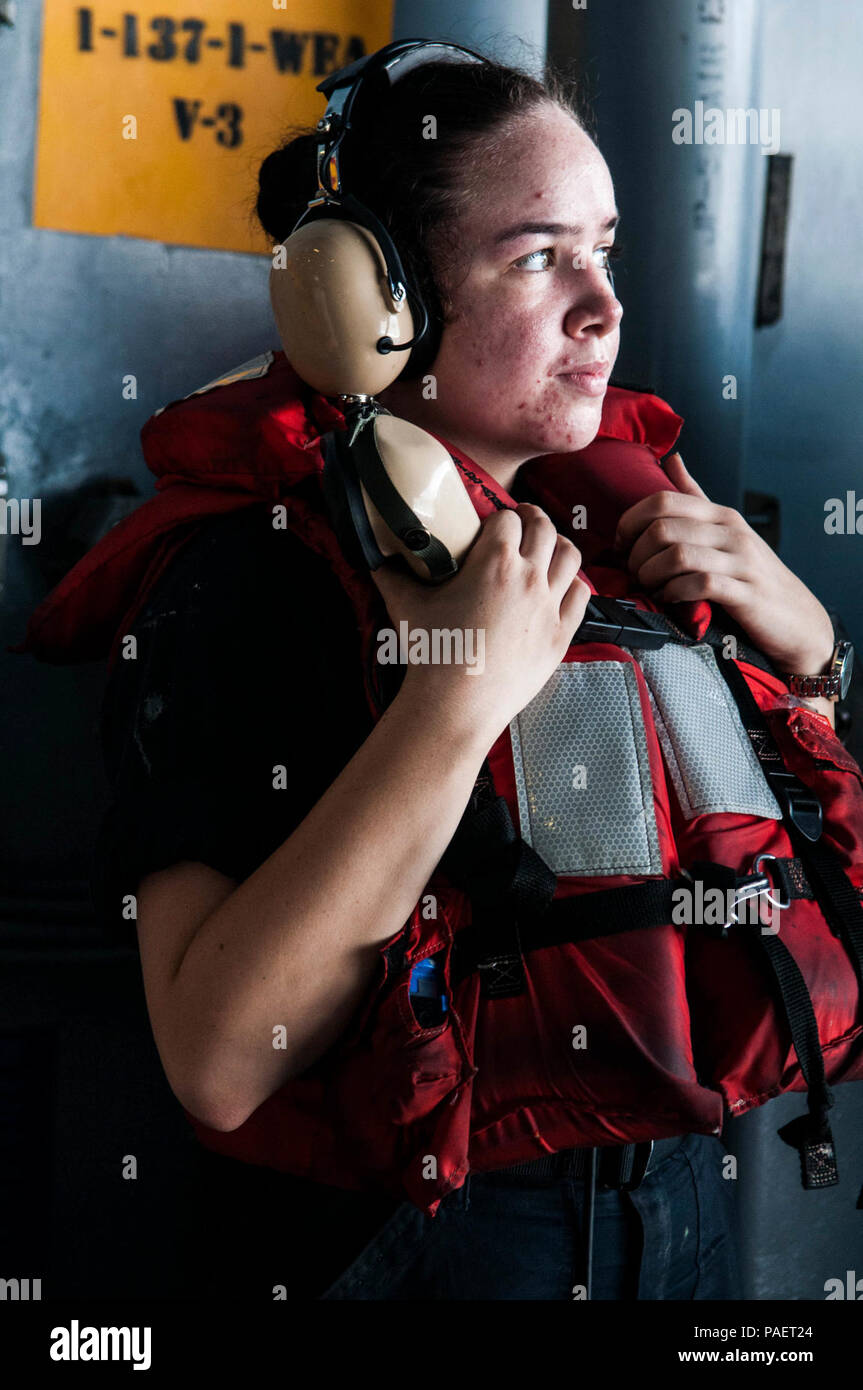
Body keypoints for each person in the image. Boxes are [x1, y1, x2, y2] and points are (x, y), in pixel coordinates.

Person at [90, 46, 846, 1301]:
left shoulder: (640, 527)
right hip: (422, 1239)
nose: (602, 305)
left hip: (676, 1205)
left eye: (603, 249)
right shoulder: (250, 571)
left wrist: (813, 662)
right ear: (375, 296)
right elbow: (218, 1060)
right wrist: (453, 700)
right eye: (538, 255)